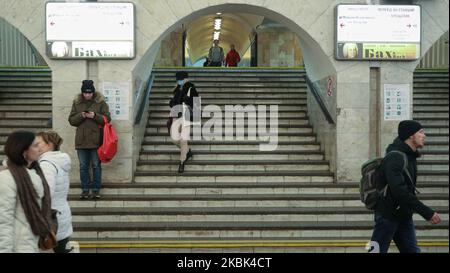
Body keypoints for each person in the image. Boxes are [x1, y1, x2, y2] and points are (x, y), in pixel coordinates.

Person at [370, 120, 441, 253]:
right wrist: (427, 212)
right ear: (410, 135)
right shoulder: (395, 157)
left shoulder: (410, 157)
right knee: (374, 251)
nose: (424, 135)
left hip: (403, 215)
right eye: (420, 132)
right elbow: (400, 191)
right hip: (387, 215)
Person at [0, 131, 55, 253]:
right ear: (24, 151)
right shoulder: (7, 178)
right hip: (18, 246)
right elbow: (3, 220)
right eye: (35, 145)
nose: (39, 148)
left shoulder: (37, 174)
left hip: (34, 242)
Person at [68, 80, 111, 200]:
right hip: (81, 141)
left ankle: (96, 190)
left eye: (90, 93)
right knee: (83, 166)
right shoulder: (76, 103)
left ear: (93, 92)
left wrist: (95, 116)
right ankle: (85, 190)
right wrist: (81, 115)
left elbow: (107, 118)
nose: (88, 95)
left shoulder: (100, 102)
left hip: (97, 140)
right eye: (85, 93)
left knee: (96, 166)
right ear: (82, 93)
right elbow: (71, 120)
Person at [36, 131, 73, 253]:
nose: (35, 146)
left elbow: (45, 194)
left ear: (49, 144)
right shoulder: (59, 161)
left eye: (38, 143)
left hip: (51, 217)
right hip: (61, 214)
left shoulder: (46, 165)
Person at [169, 71, 199, 173]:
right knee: (174, 139)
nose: (179, 81)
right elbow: (173, 103)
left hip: (186, 116)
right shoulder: (176, 88)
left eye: (180, 79)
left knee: (183, 140)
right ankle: (187, 151)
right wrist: (172, 102)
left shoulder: (191, 88)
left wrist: (188, 100)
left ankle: (182, 162)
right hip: (175, 115)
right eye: (177, 79)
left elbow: (196, 104)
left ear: (185, 78)